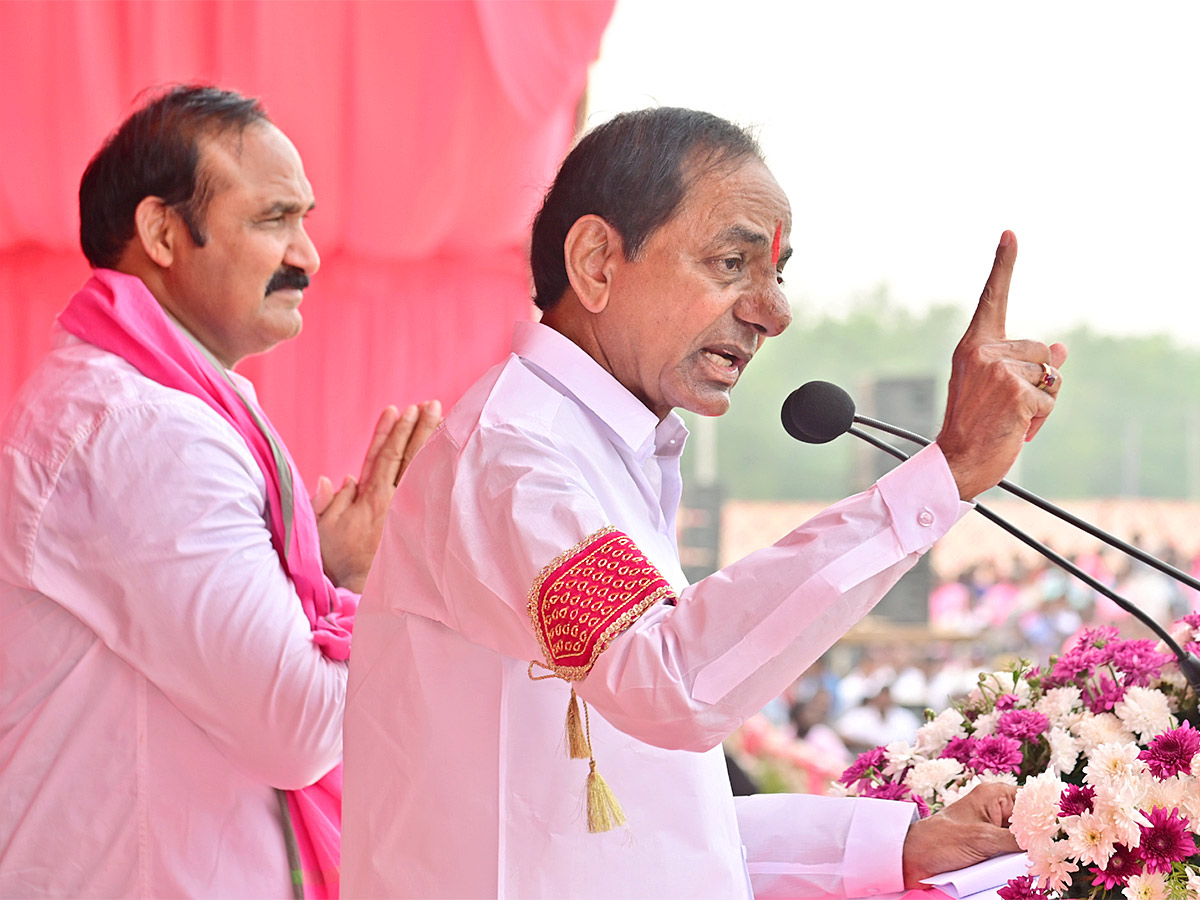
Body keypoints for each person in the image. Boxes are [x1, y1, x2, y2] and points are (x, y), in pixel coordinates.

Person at [342, 107, 1066, 898]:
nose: (774, 312)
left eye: (777, 275)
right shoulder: (517, 458)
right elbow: (670, 683)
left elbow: (661, 830)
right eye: (731, 263)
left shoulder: (599, 456)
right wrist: (943, 476)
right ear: (595, 263)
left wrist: (902, 847)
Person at [0, 85, 439, 899]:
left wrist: (332, 579)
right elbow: (299, 727)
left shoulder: (153, 406)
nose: (307, 256)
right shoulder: (140, 431)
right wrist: (371, 583)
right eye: (273, 220)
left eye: (304, 219)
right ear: (164, 233)